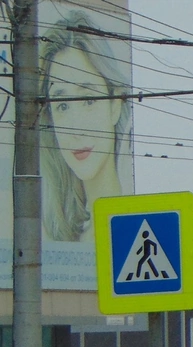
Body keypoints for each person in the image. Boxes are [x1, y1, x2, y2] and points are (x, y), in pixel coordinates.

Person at [40, 11, 133, 244]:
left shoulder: (134, 228)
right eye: (62, 105)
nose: (75, 129)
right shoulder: (56, 239)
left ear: (116, 104)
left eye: (89, 100)